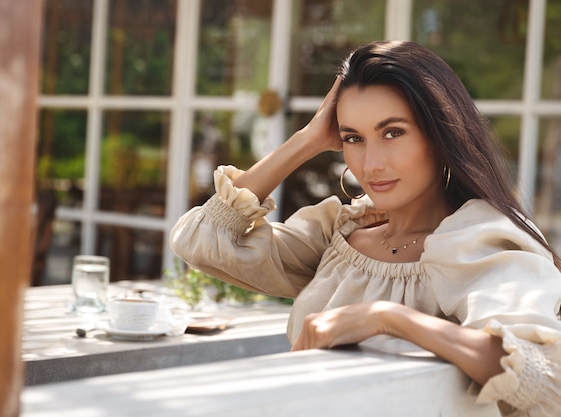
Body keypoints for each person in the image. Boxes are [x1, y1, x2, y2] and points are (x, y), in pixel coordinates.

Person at [170, 40, 561, 416]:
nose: (371, 163)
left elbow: (543, 379)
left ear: (441, 134)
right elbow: (201, 240)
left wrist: (387, 317)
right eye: (353, 138)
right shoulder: (341, 237)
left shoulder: (480, 240)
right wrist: (307, 139)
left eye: (393, 132)